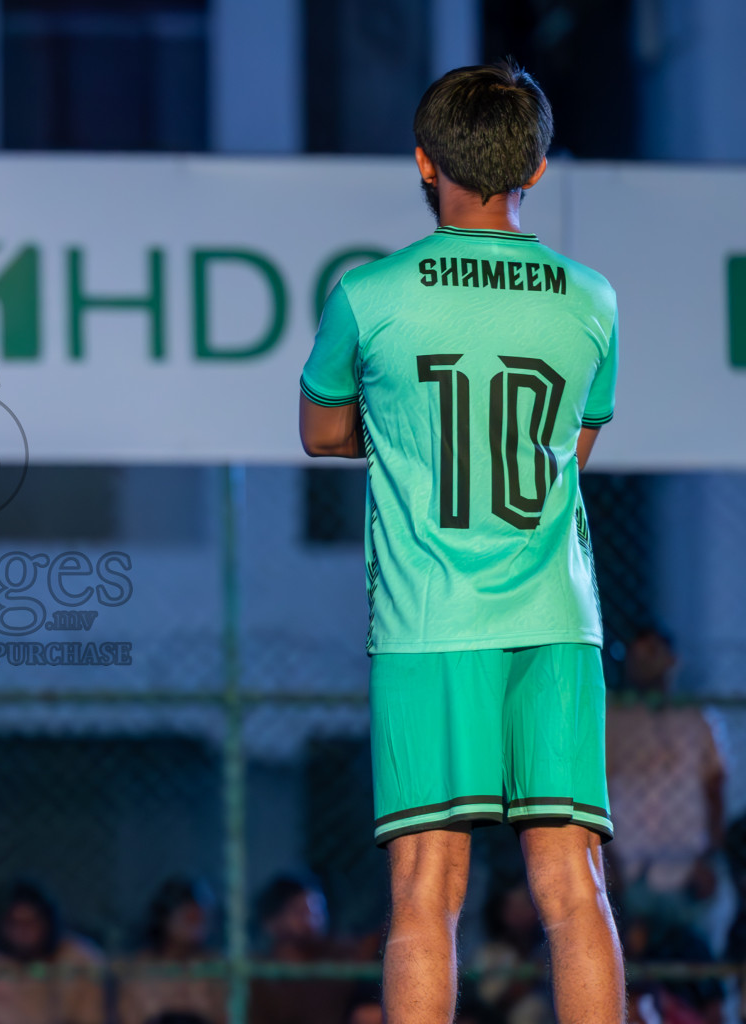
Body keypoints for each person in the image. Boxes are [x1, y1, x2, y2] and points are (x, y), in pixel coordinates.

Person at [298, 61, 624, 1023]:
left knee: (426, 891)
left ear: (423, 161)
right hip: (557, 620)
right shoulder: (590, 297)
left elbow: (321, 434)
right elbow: (576, 445)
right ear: (538, 167)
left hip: (430, 622)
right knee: (576, 890)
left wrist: (404, 436)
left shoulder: (369, 294)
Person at [606, 626, 730, 949]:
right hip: (629, 862)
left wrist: (709, 858)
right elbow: (599, 790)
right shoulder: (613, 719)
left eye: (653, 654)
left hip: (687, 863)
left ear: (672, 659)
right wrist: (607, 859)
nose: (644, 664)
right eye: (638, 656)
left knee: (694, 955)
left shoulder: (698, 716)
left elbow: (715, 787)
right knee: (632, 962)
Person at [0, 881, 105, 1024]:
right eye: (14, 922)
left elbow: (92, 1018)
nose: (23, 931)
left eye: (31, 922)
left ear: (48, 922)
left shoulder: (81, 958)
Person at [246, 875, 373, 1024]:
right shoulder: (259, 976)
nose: (313, 918)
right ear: (272, 922)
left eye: (318, 909)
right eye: (300, 911)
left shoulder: (342, 957)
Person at [117, 876, 225, 1024]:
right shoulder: (139, 968)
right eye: (190, 917)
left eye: (201, 918)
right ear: (164, 916)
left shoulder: (216, 969)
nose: (197, 924)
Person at [471, 879, 552, 1024]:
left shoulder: (547, 948)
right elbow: (491, 1002)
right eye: (515, 907)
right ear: (502, 913)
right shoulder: (491, 953)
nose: (528, 911)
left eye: (528, 905)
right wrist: (525, 980)